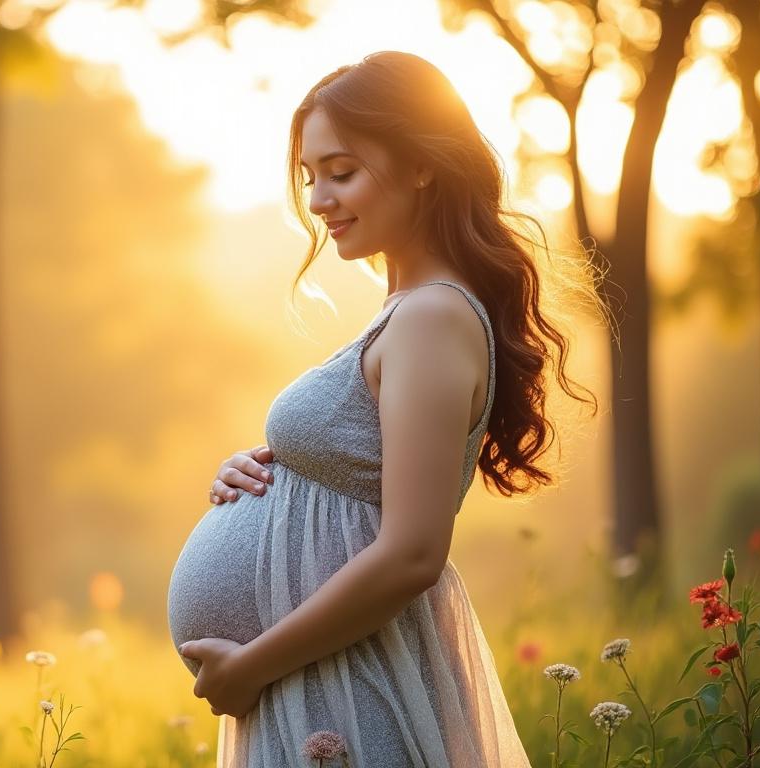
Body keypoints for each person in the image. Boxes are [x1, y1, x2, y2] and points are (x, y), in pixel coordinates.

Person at [166, 50, 600, 767]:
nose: (319, 200)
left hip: (353, 686)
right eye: (311, 177)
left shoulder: (433, 317)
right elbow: (358, 479)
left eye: (341, 172)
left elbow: (412, 554)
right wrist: (267, 477)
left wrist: (250, 666)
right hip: (324, 678)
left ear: (421, 164)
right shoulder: (408, 312)